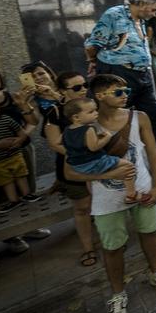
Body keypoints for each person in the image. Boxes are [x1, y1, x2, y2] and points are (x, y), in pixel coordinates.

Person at [64, 73, 156, 313]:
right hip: (105, 197)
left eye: (126, 90)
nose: (125, 95)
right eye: (118, 92)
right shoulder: (83, 129)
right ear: (99, 96)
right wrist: (110, 173)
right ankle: (118, 294)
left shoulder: (138, 117)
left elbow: (152, 152)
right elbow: (69, 171)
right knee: (112, 246)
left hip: (142, 187)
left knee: (150, 232)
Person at [85, 0, 156, 161]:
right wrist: (95, 63)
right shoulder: (114, 15)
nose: (154, 14)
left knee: (153, 115)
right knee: (115, 116)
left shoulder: (141, 21)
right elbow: (93, 44)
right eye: (153, 9)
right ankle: (113, 157)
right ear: (141, 3)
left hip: (142, 75)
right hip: (118, 72)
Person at [42, 72, 97, 266]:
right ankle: (88, 248)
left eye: (85, 85)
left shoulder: (92, 105)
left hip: (98, 164)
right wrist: (82, 154)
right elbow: (54, 143)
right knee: (83, 207)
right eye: (76, 88)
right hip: (73, 167)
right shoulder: (55, 112)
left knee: (99, 204)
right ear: (62, 91)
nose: (83, 90)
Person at [63, 98, 137, 202]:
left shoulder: (67, 130)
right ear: (76, 117)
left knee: (90, 179)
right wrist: (107, 137)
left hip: (77, 165)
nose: (96, 113)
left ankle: (94, 196)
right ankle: (131, 193)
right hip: (94, 162)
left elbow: (62, 142)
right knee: (128, 165)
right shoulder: (88, 129)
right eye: (91, 112)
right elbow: (94, 147)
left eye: (96, 110)